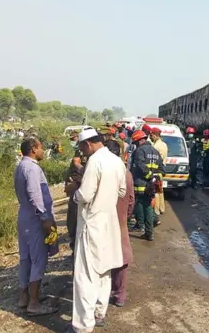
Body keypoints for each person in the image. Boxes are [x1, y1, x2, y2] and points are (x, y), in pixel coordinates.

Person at [69, 129, 126, 332]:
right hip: (109, 222)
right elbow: (122, 191)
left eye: (82, 148)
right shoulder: (116, 161)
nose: (82, 152)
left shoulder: (94, 161)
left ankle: (83, 326)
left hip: (92, 223)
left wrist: (73, 195)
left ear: (88, 144)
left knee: (85, 276)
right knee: (104, 269)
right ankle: (99, 313)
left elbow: (85, 195)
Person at [13, 137, 59, 317]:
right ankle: (34, 303)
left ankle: (23, 297)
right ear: (33, 149)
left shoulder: (20, 166)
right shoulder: (32, 168)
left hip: (25, 215)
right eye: (41, 147)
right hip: (35, 218)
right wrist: (45, 218)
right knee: (38, 259)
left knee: (25, 258)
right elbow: (35, 194)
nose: (42, 151)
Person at [106, 140, 134, 308]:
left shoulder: (101, 170)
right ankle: (119, 295)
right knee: (121, 258)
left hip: (104, 220)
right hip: (120, 219)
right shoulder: (126, 173)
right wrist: (125, 215)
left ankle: (103, 293)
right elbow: (131, 200)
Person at [129, 130, 163, 241]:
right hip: (151, 185)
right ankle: (149, 232)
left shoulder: (139, 151)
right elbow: (162, 169)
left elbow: (139, 165)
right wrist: (154, 177)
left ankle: (142, 227)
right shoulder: (155, 151)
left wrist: (149, 175)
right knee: (148, 206)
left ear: (139, 141)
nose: (135, 145)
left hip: (140, 183)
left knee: (139, 204)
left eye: (135, 142)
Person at [64, 131, 86, 269]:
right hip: (75, 192)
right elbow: (70, 171)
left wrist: (78, 167)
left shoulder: (94, 159)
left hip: (82, 193)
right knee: (72, 223)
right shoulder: (78, 153)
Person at [150, 128, 168, 218]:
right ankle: (162, 208)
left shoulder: (155, 146)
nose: (151, 137)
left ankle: (156, 210)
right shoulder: (164, 145)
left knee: (156, 191)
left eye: (152, 135)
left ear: (156, 135)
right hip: (162, 170)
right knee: (160, 190)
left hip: (156, 170)